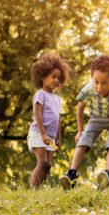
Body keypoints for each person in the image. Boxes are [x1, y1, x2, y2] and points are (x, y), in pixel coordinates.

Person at [59, 55, 109, 191]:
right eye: (96, 82)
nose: (99, 87)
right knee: (84, 139)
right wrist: (80, 131)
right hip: (96, 118)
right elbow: (80, 107)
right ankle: (71, 174)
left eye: (104, 83)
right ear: (92, 78)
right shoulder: (88, 89)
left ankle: (107, 174)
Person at [28, 53, 70, 189]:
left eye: (58, 78)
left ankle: (39, 189)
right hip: (38, 134)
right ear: (43, 77)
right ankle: (33, 190)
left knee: (48, 166)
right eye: (53, 77)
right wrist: (43, 134)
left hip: (51, 136)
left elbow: (58, 119)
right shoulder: (40, 94)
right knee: (43, 163)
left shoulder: (57, 99)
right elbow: (38, 114)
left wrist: (58, 137)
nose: (56, 80)